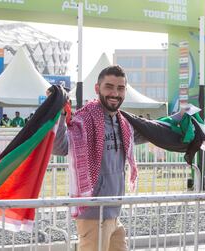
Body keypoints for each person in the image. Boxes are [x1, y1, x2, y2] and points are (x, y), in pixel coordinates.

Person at [52, 66, 147, 251]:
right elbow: (59, 147)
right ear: (97, 89)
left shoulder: (124, 123)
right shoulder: (83, 120)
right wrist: (60, 112)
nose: (115, 93)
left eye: (120, 88)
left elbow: (151, 131)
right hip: (93, 214)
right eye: (109, 87)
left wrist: (180, 121)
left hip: (114, 212)